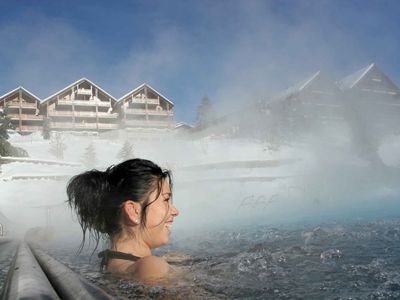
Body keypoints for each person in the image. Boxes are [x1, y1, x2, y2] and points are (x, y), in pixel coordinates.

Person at [66, 158, 179, 282]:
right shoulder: (150, 268)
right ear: (134, 211)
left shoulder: (111, 264)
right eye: (166, 200)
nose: (175, 211)